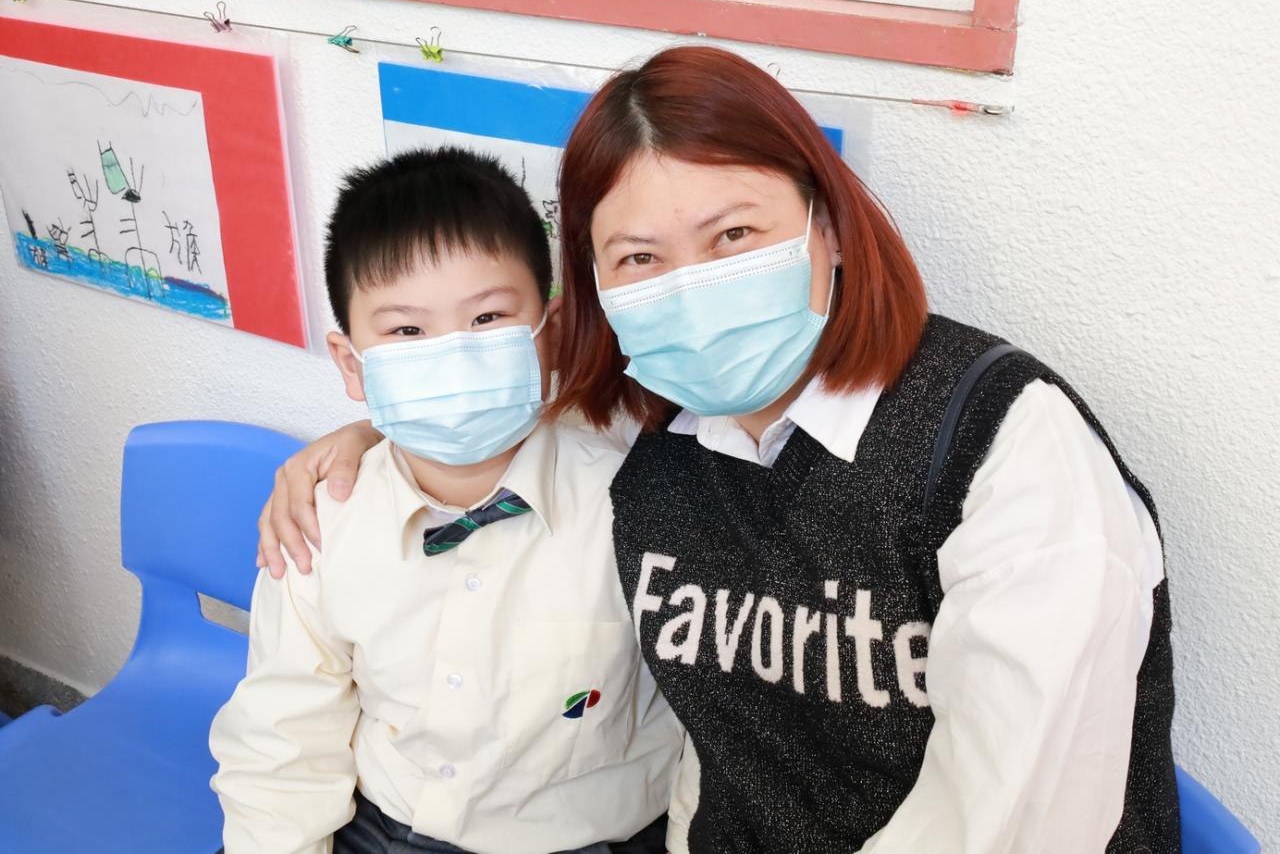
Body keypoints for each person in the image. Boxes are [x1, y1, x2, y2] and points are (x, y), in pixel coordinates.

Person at [258, 48, 1179, 854]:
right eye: (640, 259)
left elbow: (1011, 821)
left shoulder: (999, 442)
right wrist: (370, 430)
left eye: (734, 235)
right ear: (596, 286)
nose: (692, 291)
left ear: (827, 226)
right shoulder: (665, 440)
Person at [210, 147, 681, 854]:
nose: (453, 356)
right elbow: (284, 742)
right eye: (407, 332)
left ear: (549, 336)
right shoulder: (323, 521)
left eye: (488, 317)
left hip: (595, 836)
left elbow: (714, 721)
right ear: (351, 364)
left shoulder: (637, 499)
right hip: (383, 825)